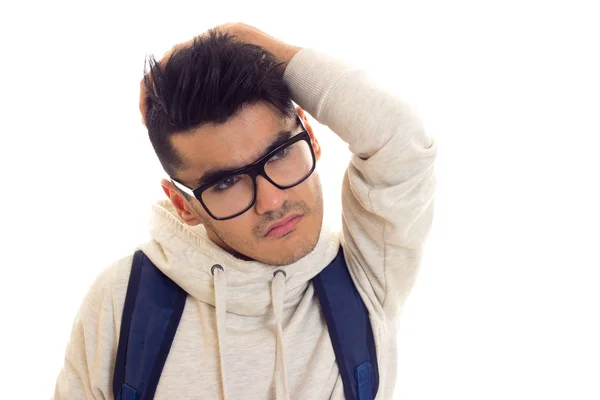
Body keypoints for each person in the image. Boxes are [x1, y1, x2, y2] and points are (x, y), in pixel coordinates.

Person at [53, 22, 437, 399]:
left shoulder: (365, 275)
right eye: (226, 183)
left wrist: (267, 49)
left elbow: (402, 139)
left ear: (311, 135)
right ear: (182, 204)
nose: (271, 201)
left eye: (280, 152)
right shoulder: (123, 301)